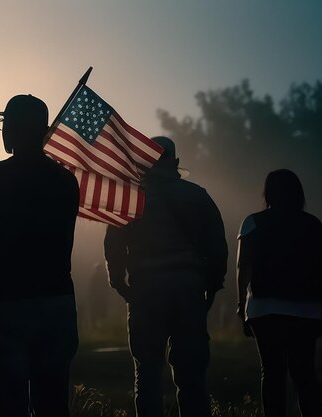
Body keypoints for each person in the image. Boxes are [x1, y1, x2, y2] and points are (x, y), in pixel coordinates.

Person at [0, 94, 80, 417]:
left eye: (4, 124)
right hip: (56, 301)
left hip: (4, 304)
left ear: (11, 130)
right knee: (52, 404)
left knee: (4, 405)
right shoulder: (66, 181)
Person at [104, 136, 227, 417]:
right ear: (176, 162)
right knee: (191, 376)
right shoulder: (198, 195)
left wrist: (118, 282)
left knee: (146, 373)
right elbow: (217, 244)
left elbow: (113, 243)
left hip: (145, 289)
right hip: (188, 287)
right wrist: (212, 285)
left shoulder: (131, 198)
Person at [237, 169, 322, 417]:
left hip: (264, 309)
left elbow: (242, 267)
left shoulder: (253, 222)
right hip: (307, 310)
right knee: (304, 373)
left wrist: (241, 306)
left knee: (272, 373)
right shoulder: (312, 224)